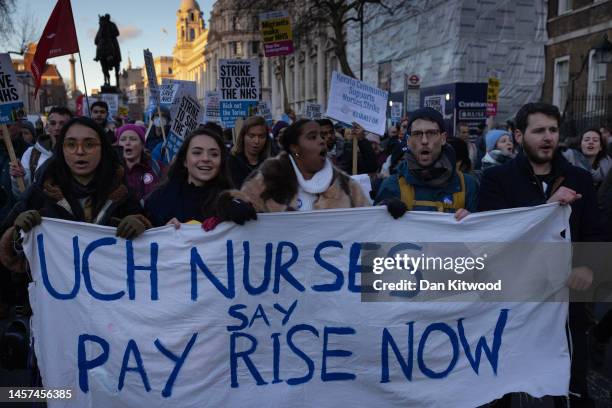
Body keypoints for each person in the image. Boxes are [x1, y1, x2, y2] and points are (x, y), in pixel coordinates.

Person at [478, 102, 604, 407]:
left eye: (553, 130)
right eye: (538, 131)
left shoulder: (580, 178)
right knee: (508, 382)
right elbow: (493, 235)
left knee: (568, 381)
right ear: (520, 135)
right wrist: (548, 207)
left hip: (566, 302)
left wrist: (587, 266)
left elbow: (596, 231)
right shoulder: (497, 180)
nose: (547, 137)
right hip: (515, 298)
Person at [0, 116, 151, 273]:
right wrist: (16, 234)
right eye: (71, 144)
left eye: (89, 144)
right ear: (62, 149)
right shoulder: (39, 193)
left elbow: (153, 248)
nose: (80, 151)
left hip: (111, 288)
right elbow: (10, 256)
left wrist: (141, 226)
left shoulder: (122, 192)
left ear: (103, 149)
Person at [217, 119, 369, 222]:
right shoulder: (269, 177)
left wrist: (385, 211)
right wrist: (234, 205)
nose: (322, 141)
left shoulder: (344, 184)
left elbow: (369, 218)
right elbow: (247, 201)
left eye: (321, 137)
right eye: (312, 137)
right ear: (295, 147)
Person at [375, 107, 478, 220]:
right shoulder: (392, 185)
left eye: (431, 133)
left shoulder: (467, 185)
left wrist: (473, 221)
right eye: (417, 134)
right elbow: (374, 232)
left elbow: (485, 233)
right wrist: (381, 211)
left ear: (443, 138)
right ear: (408, 141)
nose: (424, 141)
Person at [145, 127, 233, 228]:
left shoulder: (232, 201)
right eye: (197, 153)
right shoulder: (158, 200)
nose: (205, 158)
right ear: (185, 161)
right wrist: (163, 232)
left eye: (214, 154)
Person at [9, 106, 72, 196]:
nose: (57, 128)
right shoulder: (31, 153)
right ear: (47, 126)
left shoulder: (79, 154)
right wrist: (19, 177)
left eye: (62, 124)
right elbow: (21, 194)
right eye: (53, 123)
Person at [116, 124, 161, 203]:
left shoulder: (156, 167)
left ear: (142, 145)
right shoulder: (112, 170)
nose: (127, 143)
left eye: (133, 139)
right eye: (123, 139)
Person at [228, 116, 271, 188]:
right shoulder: (230, 163)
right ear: (243, 137)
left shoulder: (272, 165)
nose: (256, 141)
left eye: (261, 136)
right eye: (251, 136)